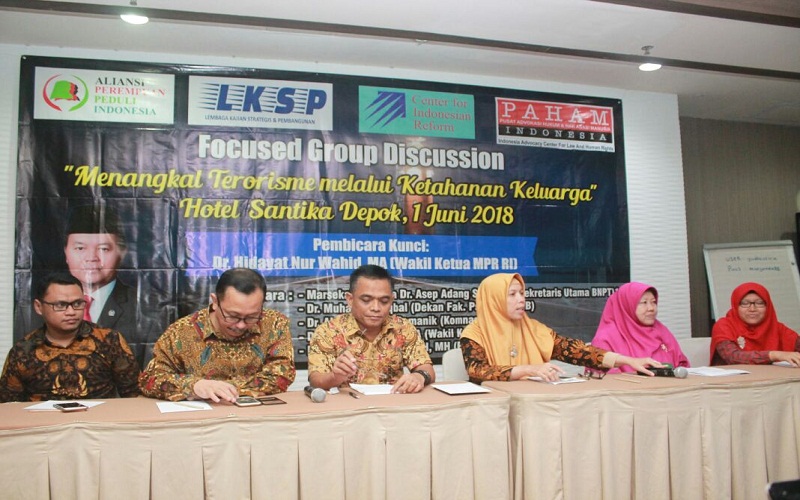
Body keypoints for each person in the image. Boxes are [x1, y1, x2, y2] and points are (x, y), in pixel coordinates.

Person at [461, 273, 663, 383]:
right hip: (493, 409)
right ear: (493, 299)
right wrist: (529, 369)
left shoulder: (534, 329)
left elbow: (576, 351)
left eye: (522, 293)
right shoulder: (474, 333)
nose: (521, 299)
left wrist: (627, 360)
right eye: (512, 294)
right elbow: (478, 370)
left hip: (535, 404)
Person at [139, 268, 295, 402]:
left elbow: (281, 374)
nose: (241, 325)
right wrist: (194, 386)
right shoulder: (181, 332)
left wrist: (227, 389)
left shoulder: (275, 324)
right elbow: (150, 379)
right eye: (232, 316)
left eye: (252, 316)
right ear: (215, 301)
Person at [0, 272, 140, 402]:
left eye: (77, 304)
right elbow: (7, 405)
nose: (71, 312)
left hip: (98, 419)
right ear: (38, 307)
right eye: (61, 305)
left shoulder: (109, 340)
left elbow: (135, 394)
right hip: (43, 420)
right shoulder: (23, 351)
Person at [308, 265, 435, 394]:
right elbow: (315, 380)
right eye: (366, 300)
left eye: (384, 301)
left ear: (392, 300)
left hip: (393, 402)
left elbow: (427, 369)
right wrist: (335, 377)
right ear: (350, 299)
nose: (376, 308)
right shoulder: (328, 331)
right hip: (348, 403)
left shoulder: (402, 328)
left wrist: (419, 376)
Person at [591, 282, 689, 373]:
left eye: (653, 302)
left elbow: (683, 365)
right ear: (627, 305)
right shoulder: (605, 338)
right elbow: (604, 379)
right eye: (644, 302)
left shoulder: (661, 330)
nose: (651, 308)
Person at [710, 282, 800, 366]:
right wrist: (774, 355)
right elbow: (732, 357)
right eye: (745, 303)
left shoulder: (777, 327)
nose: (752, 309)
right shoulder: (724, 325)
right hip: (733, 377)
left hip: (773, 377)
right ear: (736, 306)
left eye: (759, 303)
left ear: (768, 306)